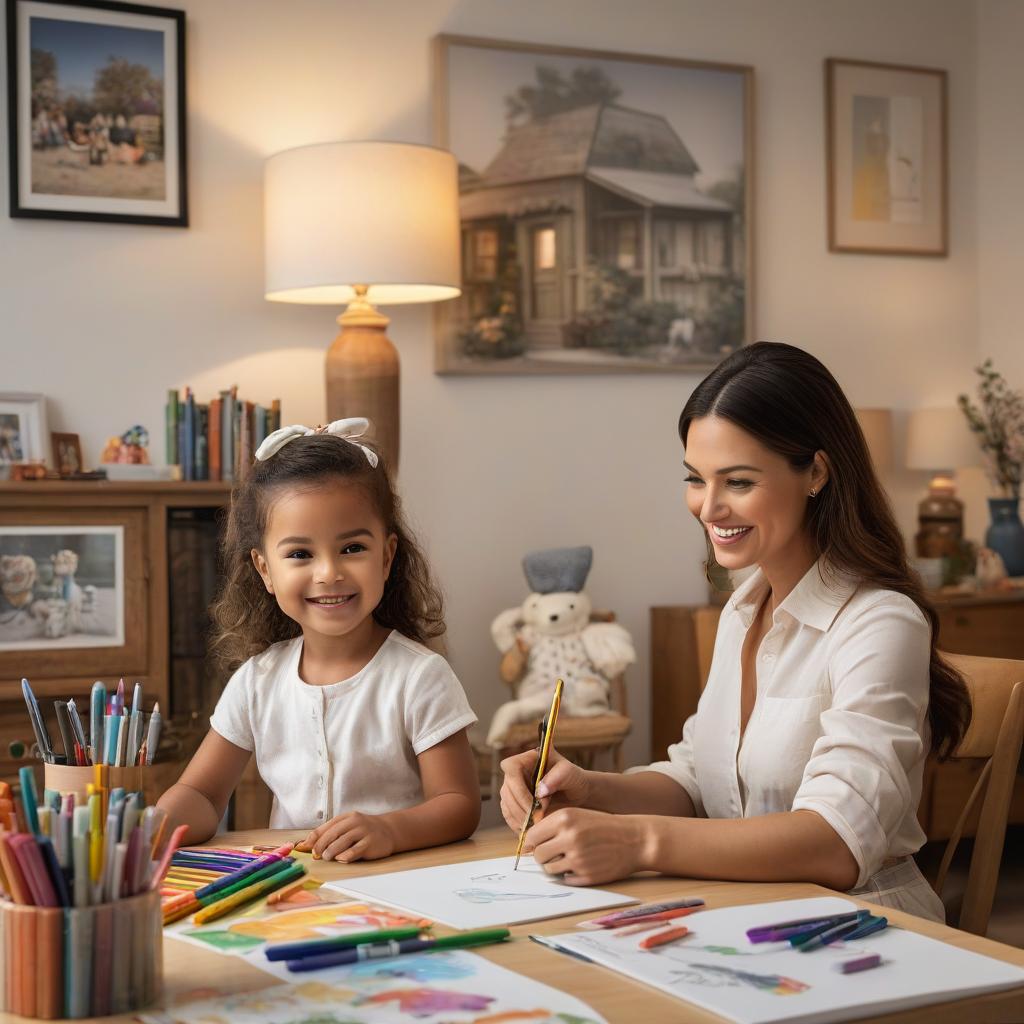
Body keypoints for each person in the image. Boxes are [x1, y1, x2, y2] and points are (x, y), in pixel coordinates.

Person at [500, 342, 971, 922]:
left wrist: (638, 842)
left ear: (816, 472)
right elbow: (701, 781)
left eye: (739, 482)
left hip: (858, 926)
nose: (708, 507)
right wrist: (589, 790)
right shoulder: (742, 611)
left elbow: (838, 842)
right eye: (696, 479)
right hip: (741, 912)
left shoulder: (880, 623)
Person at [158, 418, 480, 862]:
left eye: (352, 549)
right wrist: (155, 824)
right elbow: (202, 792)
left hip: (396, 887)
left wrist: (390, 829)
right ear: (265, 569)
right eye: (300, 554)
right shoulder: (258, 680)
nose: (328, 572)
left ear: (386, 557)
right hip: (292, 890)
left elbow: (459, 805)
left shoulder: (420, 676)